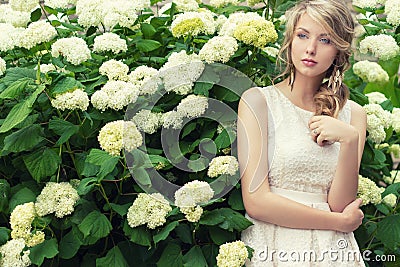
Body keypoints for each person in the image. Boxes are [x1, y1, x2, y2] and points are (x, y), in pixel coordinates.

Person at [237, 0, 367, 266]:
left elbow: (341, 204)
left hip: (331, 251)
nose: (310, 48)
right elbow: (256, 202)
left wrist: (350, 140)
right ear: (290, 40)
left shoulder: (354, 116)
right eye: (303, 35)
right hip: (272, 244)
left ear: (339, 52)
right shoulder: (258, 102)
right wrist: (338, 222)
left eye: (325, 40)